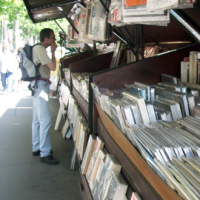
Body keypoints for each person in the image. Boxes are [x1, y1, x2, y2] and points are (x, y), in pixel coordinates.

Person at [32, 28, 59, 165]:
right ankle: (45, 152)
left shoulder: (37, 49)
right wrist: (54, 51)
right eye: (53, 38)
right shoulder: (40, 49)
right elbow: (53, 67)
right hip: (40, 87)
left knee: (37, 120)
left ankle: (37, 147)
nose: (54, 40)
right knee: (45, 120)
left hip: (38, 84)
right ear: (46, 38)